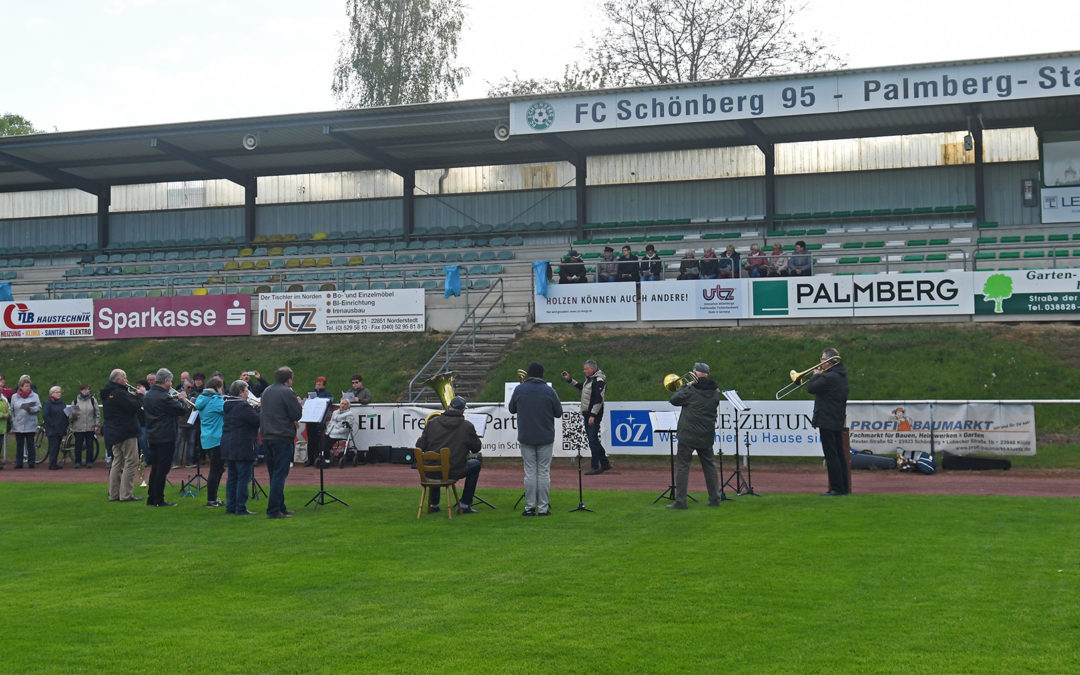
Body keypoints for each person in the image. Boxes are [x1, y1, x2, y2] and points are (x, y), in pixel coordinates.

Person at [508, 362, 562, 516]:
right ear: (542, 375)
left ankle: (529, 507)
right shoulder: (549, 391)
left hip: (526, 436)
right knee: (544, 472)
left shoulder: (520, 389)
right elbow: (558, 412)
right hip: (545, 436)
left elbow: (512, 409)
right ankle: (543, 508)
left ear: (529, 374)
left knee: (530, 472)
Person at [667, 363, 723, 509]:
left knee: (683, 467)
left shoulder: (691, 390)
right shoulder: (716, 391)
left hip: (688, 434)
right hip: (706, 434)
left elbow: (674, 400)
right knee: (709, 466)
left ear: (695, 373)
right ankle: (715, 499)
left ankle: (681, 501)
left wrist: (686, 386)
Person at [415, 396, 482, 514]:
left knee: (436, 461)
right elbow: (476, 448)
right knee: (475, 464)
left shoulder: (431, 423)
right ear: (463, 411)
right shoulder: (467, 426)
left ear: (448, 407)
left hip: (429, 472)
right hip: (453, 471)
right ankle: (465, 504)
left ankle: (433, 504)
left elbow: (420, 445)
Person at [260, 366, 303, 519]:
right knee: (280, 473)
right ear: (288, 379)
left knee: (274, 473)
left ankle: (280, 506)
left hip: (267, 436)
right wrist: (298, 403)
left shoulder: (266, 391)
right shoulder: (287, 392)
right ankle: (273, 510)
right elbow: (296, 414)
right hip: (282, 436)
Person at [806, 348, 850, 496]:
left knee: (831, 455)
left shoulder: (829, 377)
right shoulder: (841, 375)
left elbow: (811, 388)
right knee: (839, 454)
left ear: (829, 361)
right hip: (837, 418)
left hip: (826, 419)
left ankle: (836, 488)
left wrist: (816, 376)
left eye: (822, 359)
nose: (820, 362)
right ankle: (843, 487)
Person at [143, 368, 190, 507]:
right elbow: (181, 410)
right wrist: (183, 399)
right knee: (162, 469)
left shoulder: (149, 394)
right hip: (165, 435)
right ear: (165, 381)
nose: (171, 384)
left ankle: (151, 498)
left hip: (153, 435)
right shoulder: (163, 397)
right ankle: (159, 499)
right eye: (170, 380)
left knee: (155, 467)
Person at [562, 360, 611, 475]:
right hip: (588, 414)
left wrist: (593, 415)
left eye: (586, 369)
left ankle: (595, 467)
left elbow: (599, 400)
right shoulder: (590, 380)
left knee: (593, 440)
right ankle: (605, 463)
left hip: (593, 415)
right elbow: (582, 388)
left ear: (593, 369)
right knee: (593, 440)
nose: (584, 371)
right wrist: (570, 380)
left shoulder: (598, 381)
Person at [101, 369, 144, 502]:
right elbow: (133, 407)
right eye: (125, 378)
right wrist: (140, 395)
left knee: (117, 462)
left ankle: (114, 494)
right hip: (126, 430)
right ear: (118, 379)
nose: (127, 381)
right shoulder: (119, 393)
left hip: (113, 431)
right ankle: (126, 494)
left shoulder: (108, 392)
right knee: (131, 461)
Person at [221, 380, 260, 515]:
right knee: (243, 477)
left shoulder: (228, 404)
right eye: (247, 390)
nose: (248, 393)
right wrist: (260, 409)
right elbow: (256, 421)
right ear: (241, 392)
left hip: (229, 444)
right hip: (242, 445)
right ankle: (240, 507)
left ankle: (231, 506)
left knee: (232, 477)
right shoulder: (243, 406)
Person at [195, 376, 226, 508]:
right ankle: (211, 499)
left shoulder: (202, 398)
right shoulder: (215, 400)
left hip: (207, 437)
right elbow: (228, 410)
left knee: (218, 469)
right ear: (218, 387)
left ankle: (213, 497)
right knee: (215, 469)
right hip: (217, 438)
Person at [11, 375, 41, 469]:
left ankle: (31, 462)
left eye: (29, 386)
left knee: (30, 444)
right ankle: (19, 463)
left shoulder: (35, 396)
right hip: (18, 424)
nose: (28, 388)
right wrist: (13, 420)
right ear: (21, 387)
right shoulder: (14, 397)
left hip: (30, 423)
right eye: (26, 386)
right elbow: (11, 409)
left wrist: (31, 409)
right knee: (19, 444)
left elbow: (39, 407)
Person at [304, 376, 334, 466]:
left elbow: (330, 403)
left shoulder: (327, 394)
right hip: (310, 419)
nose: (317, 386)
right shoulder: (311, 393)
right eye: (316, 384)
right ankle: (310, 459)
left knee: (319, 440)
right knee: (310, 440)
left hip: (320, 419)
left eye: (319, 384)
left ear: (323, 385)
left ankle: (318, 457)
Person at [69, 383, 100, 468]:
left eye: (88, 389)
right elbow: (70, 415)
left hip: (90, 426)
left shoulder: (93, 400)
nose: (86, 391)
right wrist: (73, 415)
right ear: (81, 391)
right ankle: (77, 462)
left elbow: (97, 413)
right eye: (84, 389)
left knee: (90, 445)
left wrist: (97, 425)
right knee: (78, 445)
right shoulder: (75, 401)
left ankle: (89, 461)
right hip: (78, 427)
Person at [318, 398, 355, 466]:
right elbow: (331, 422)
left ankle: (327, 459)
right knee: (321, 440)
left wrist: (338, 431)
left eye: (345, 404)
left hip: (341, 433)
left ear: (348, 406)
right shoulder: (335, 412)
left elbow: (348, 427)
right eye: (342, 403)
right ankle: (324, 456)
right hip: (331, 431)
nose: (343, 405)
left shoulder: (350, 414)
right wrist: (328, 429)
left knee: (327, 442)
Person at [42, 385, 68, 470]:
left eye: (60, 392)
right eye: (57, 392)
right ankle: (52, 464)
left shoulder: (62, 403)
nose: (59, 394)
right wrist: (53, 424)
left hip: (60, 428)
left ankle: (54, 463)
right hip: (52, 429)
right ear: (52, 393)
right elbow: (45, 416)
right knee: (53, 446)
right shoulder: (48, 403)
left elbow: (65, 413)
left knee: (57, 446)